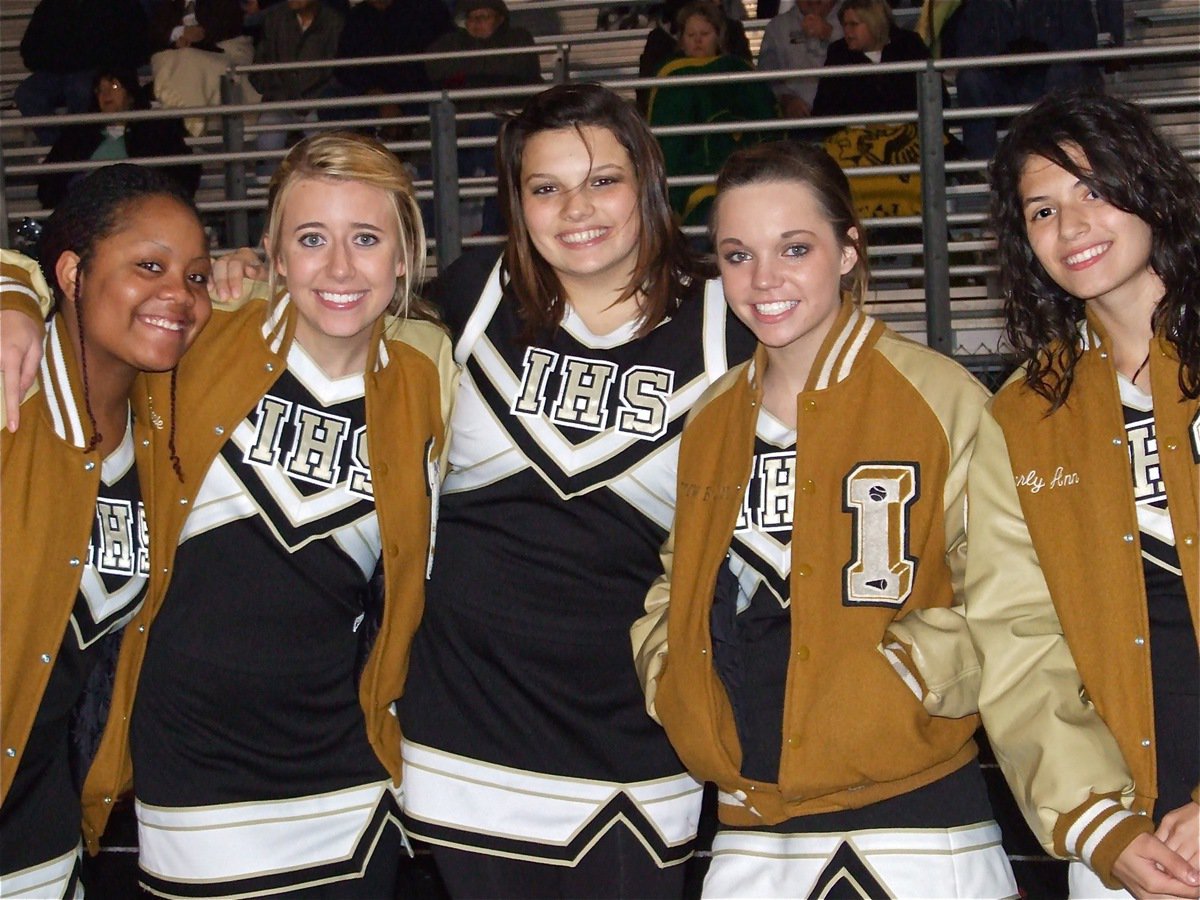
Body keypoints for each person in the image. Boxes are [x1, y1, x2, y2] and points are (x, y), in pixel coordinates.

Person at [0, 133, 456, 898]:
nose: (340, 267)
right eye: (312, 238)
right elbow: (89, 280)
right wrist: (15, 290)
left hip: (348, 782)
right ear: (273, 254)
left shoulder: (429, 374)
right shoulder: (196, 340)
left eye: (367, 239)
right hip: (192, 788)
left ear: (406, 254)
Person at [393, 82, 756, 898]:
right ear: (517, 204)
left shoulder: (729, 326)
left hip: (635, 742)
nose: (575, 208)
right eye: (545, 187)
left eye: (603, 180)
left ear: (648, 185)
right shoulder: (469, 296)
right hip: (457, 734)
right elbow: (328, 315)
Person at [631, 140, 1018, 898]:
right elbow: (675, 583)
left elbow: (1009, 596)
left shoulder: (940, 396)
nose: (764, 279)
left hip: (919, 817)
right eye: (738, 254)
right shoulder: (711, 418)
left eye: (795, 248)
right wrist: (672, 678)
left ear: (848, 251)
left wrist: (914, 678)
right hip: (749, 822)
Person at [965, 92, 1200, 899]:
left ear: (1149, 187)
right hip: (1131, 842)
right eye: (1042, 209)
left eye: (1093, 191)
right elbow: (1016, 634)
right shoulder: (1027, 410)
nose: (1072, 228)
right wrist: (1098, 822)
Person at [1, 164, 213, 899]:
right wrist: (7, 283)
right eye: (148, 266)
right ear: (71, 272)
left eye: (196, 275)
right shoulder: (10, 389)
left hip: (47, 826)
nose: (178, 295)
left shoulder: (162, 429)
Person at [647, 0, 777, 228]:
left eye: (704, 34)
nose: (697, 40)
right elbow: (667, 141)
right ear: (681, 40)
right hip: (693, 180)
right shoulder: (669, 75)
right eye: (691, 34)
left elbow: (765, 116)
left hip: (743, 171)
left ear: (718, 37)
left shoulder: (739, 70)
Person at [37, 67, 201, 210]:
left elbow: (184, 173)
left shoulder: (155, 129)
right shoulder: (78, 134)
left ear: (130, 95)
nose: (105, 94)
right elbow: (50, 182)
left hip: (137, 204)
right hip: (87, 205)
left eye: (114, 86)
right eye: (99, 90)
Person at [16, 0, 149, 145]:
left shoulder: (119, 5)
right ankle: (57, 147)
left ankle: (78, 147)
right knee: (26, 93)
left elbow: (137, 43)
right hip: (57, 71)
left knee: (80, 88)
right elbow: (29, 50)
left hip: (100, 70)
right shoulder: (52, 5)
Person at [250, 0, 344, 160]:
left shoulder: (334, 21)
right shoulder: (274, 18)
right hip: (280, 99)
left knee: (326, 152)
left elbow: (334, 71)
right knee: (266, 145)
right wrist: (279, 93)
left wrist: (311, 98)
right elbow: (260, 66)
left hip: (317, 102)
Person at [757, 0, 842, 121]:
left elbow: (864, 60)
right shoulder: (777, 27)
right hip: (794, 124)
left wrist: (830, 33)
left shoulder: (854, 19)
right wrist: (786, 99)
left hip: (846, 120)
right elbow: (766, 76)